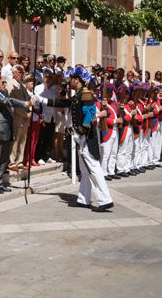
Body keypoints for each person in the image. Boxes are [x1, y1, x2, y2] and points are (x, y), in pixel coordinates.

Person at [38, 67, 114, 212]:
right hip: (81, 136)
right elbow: (65, 103)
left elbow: (89, 117)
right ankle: (83, 198)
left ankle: (105, 199)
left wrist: (80, 132)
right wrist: (42, 99)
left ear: (77, 80)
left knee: (93, 168)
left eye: (71, 79)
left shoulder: (85, 94)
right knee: (85, 170)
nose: (69, 81)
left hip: (86, 137)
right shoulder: (79, 94)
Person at [0, 75, 33, 193]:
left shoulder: (4, 94)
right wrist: (25, 104)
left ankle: (0, 182)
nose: (4, 85)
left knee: (3, 160)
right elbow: (9, 101)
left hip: (7, 131)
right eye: (3, 82)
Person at [7, 65, 30, 170]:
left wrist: (29, 112)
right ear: (14, 73)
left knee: (22, 139)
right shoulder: (10, 84)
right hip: (17, 115)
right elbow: (12, 101)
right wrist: (23, 113)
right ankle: (12, 161)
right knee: (15, 139)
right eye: (19, 72)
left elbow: (28, 99)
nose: (21, 74)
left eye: (22, 72)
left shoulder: (22, 85)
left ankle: (19, 160)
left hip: (25, 116)